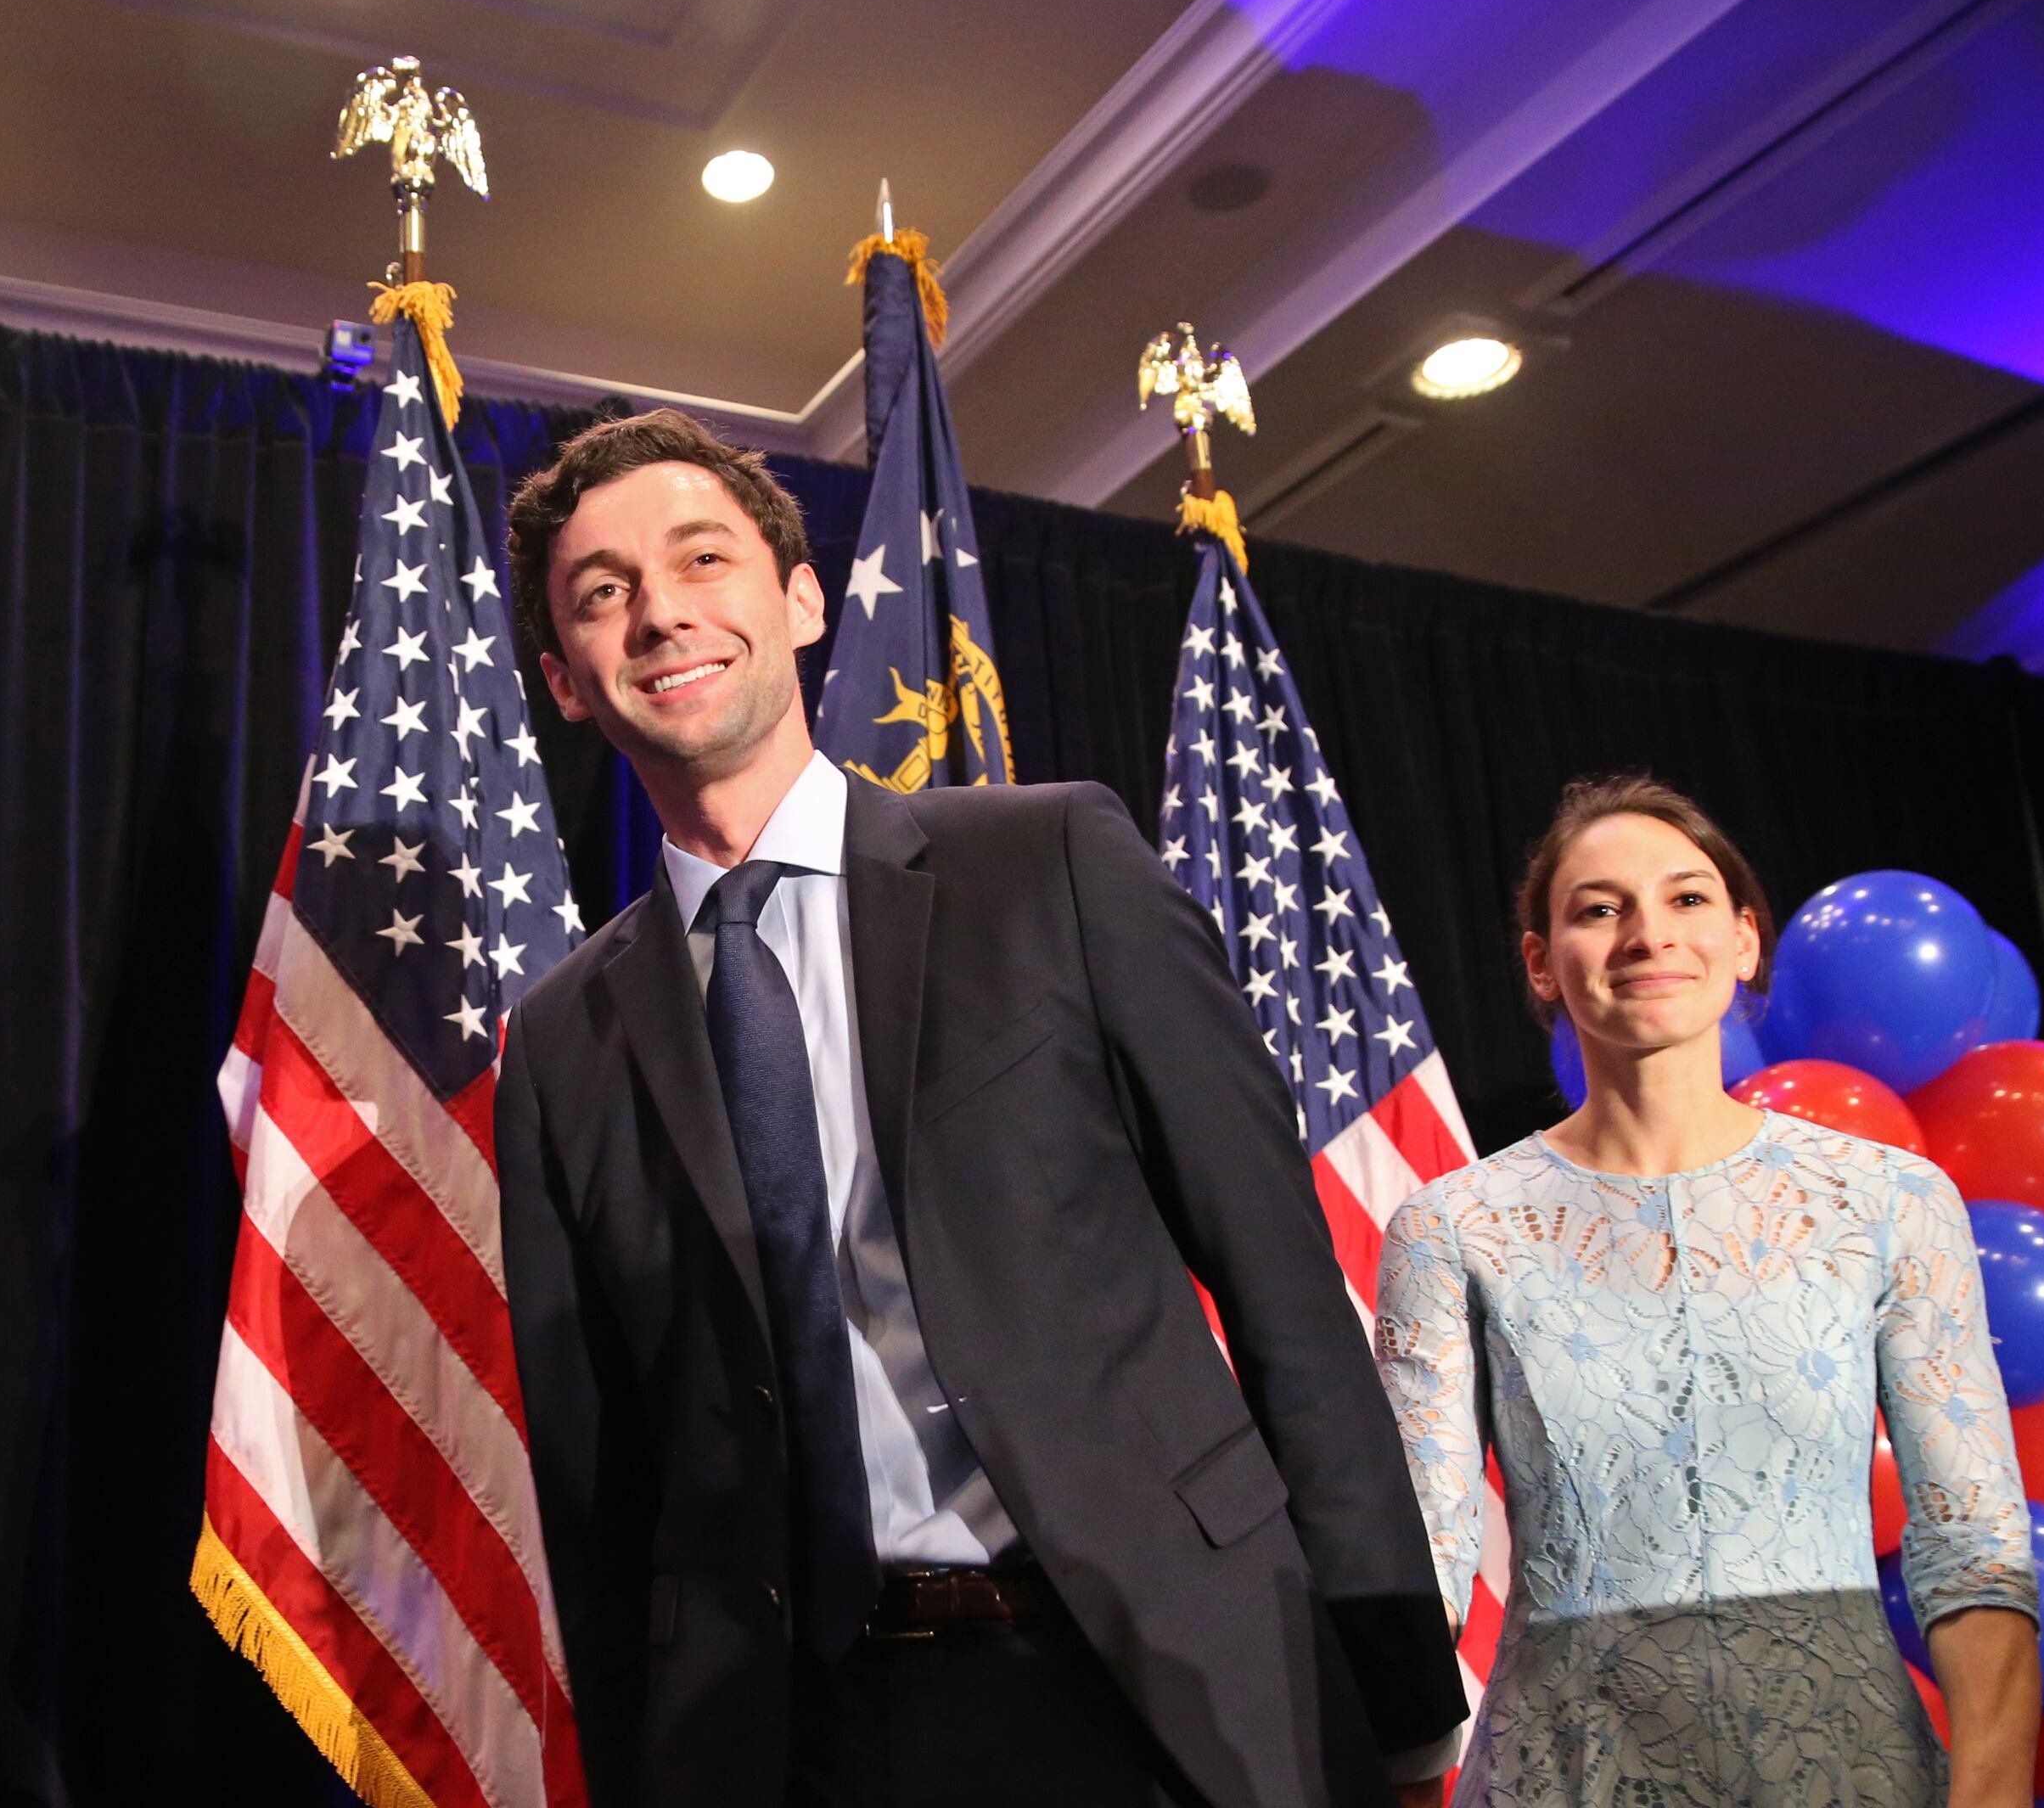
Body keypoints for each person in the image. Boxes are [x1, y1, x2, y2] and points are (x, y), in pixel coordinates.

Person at [492, 409, 1468, 1808]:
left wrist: (1397, 1694)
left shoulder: (1053, 863)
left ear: (802, 599)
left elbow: (1285, 1295)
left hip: (1153, 1690)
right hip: (790, 1740)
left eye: (702, 560)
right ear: (565, 681)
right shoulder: (563, 1040)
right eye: (604, 595)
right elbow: (600, 1477)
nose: (661, 614)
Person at [1374, 774, 2041, 1806]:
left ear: (1744, 941)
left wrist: (1992, 1794)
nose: (1648, 935)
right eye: (1600, 909)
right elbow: (1423, 1557)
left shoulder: (1888, 1200)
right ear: (1541, 964)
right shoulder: (1454, 1228)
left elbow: (1974, 1543)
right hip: (1567, 1769)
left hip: (1851, 1766)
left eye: (1686, 900)